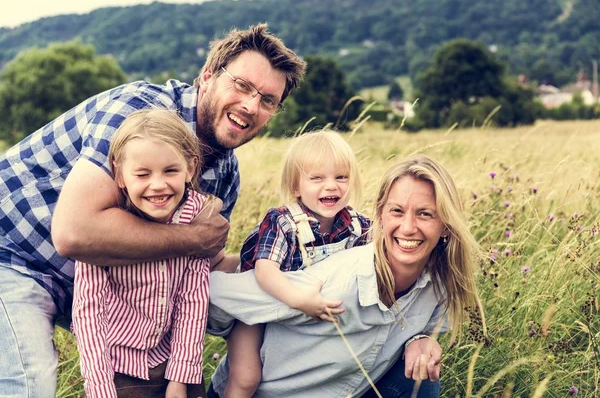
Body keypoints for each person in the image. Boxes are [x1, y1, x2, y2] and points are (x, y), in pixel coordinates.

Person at [0, 23, 305, 398]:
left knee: (165, 377)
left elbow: (193, 267)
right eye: (242, 85)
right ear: (207, 77)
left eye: (268, 100)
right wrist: (193, 239)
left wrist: (280, 267)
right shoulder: (140, 112)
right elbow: (73, 233)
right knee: (29, 385)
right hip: (16, 256)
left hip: (95, 285)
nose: (251, 106)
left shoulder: (225, 175)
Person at [207, 154, 483, 398]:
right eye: (397, 211)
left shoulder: (442, 283)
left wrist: (419, 340)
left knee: (421, 379)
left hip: (352, 389)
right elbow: (215, 295)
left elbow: (421, 327)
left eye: (425, 214)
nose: (408, 227)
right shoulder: (333, 283)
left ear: (446, 225)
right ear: (381, 216)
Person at [72, 109, 216, 398]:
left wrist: (181, 375)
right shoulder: (104, 230)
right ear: (120, 175)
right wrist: (101, 390)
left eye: (171, 170)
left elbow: (193, 301)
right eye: (142, 174)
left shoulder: (195, 219)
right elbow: (89, 315)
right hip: (116, 367)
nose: (158, 184)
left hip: (171, 358)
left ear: (190, 167)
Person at [224, 130, 371, 397]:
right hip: (259, 306)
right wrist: (299, 299)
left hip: (307, 313)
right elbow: (265, 271)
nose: (331, 186)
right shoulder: (283, 221)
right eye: (317, 178)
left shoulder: (358, 225)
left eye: (341, 177)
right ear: (295, 187)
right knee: (246, 376)